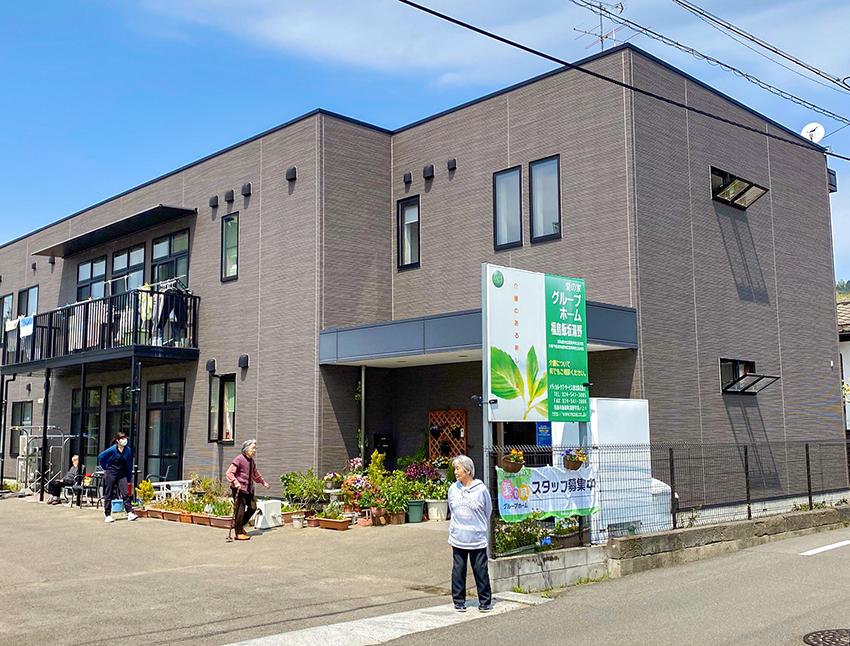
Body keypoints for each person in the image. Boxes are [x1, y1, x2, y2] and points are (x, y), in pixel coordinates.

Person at [447, 454, 493, 613]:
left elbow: (488, 511)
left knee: (480, 570)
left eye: (458, 469)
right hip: (458, 537)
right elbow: (452, 509)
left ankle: (485, 601)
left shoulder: (481, 490)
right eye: (455, 469)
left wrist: (477, 526)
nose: (455, 472)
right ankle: (459, 601)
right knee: (458, 570)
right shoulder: (453, 489)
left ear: (467, 470)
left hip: (477, 537)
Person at [225, 439, 271, 540]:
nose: (255, 450)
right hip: (239, 489)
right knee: (239, 511)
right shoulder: (239, 459)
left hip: (249, 489)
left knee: (253, 507)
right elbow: (229, 473)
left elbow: (256, 474)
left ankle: (240, 526)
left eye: (255, 448)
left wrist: (264, 482)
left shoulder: (252, 462)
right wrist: (236, 482)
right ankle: (238, 533)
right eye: (253, 448)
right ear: (246, 449)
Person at [97, 432, 138, 523]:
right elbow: (101, 456)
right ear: (117, 441)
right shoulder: (112, 449)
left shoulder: (128, 450)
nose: (124, 441)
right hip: (111, 472)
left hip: (122, 473)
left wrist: (129, 477)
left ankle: (130, 512)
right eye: (122, 439)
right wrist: (105, 467)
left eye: (125, 438)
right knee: (109, 493)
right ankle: (108, 514)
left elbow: (129, 464)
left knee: (125, 493)